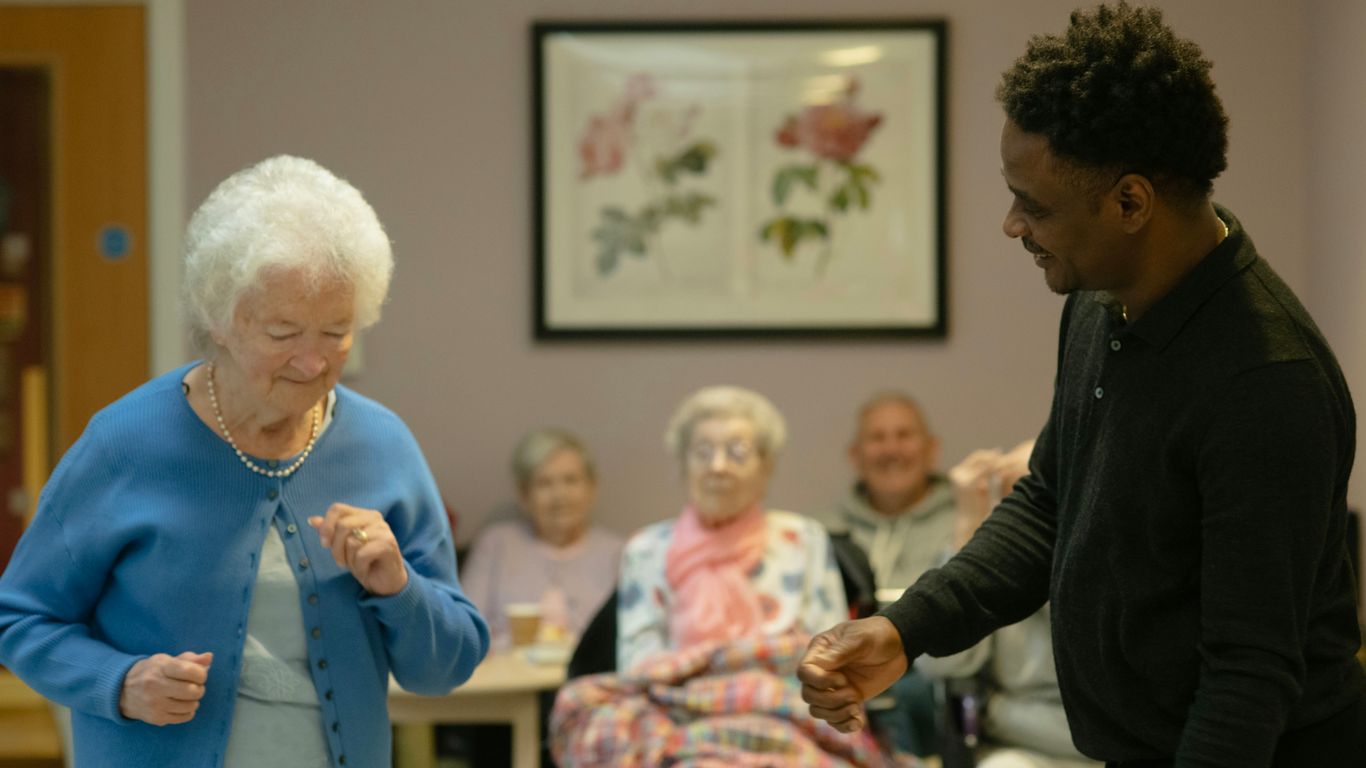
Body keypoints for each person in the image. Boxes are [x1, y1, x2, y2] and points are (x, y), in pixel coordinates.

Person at [798, 5, 1366, 767]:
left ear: (1130, 203)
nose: (1010, 225)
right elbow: (1049, 502)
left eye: (1033, 205)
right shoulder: (1104, 301)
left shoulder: (1267, 384)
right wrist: (909, 629)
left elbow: (1246, 680)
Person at [0, 155, 490, 767]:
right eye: (283, 333)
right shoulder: (124, 444)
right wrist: (121, 684)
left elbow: (448, 668)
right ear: (219, 317)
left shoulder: (382, 446)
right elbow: (19, 618)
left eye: (336, 332)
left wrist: (400, 588)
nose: (312, 362)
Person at [550, 385, 889, 768]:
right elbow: (638, 665)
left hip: (778, 709)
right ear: (684, 466)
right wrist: (716, 681)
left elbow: (827, 654)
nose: (718, 466)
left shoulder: (802, 538)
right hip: (674, 711)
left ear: (766, 467)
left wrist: (744, 685)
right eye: (703, 452)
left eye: (737, 452)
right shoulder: (646, 548)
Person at [919, 441, 1099, 768]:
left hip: (1105, 747)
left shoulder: (1108, 557)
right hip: (1019, 749)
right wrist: (967, 530)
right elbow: (936, 663)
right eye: (1014, 496)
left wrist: (995, 711)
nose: (1029, 515)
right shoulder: (997, 564)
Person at [819, 391, 954, 758]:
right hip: (849, 668)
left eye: (904, 435)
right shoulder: (823, 534)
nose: (891, 449)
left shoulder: (968, 528)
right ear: (855, 456)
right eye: (877, 438)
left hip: (937, 676)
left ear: (931, 449)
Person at [460, 427, 623, 647]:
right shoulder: (496, 544)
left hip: (587, 679)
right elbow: (466, 629)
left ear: (592, 487)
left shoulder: (618, 552)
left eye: (571, 480)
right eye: (545, 483)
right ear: (524, 493)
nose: (559, 496)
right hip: (509, 678)